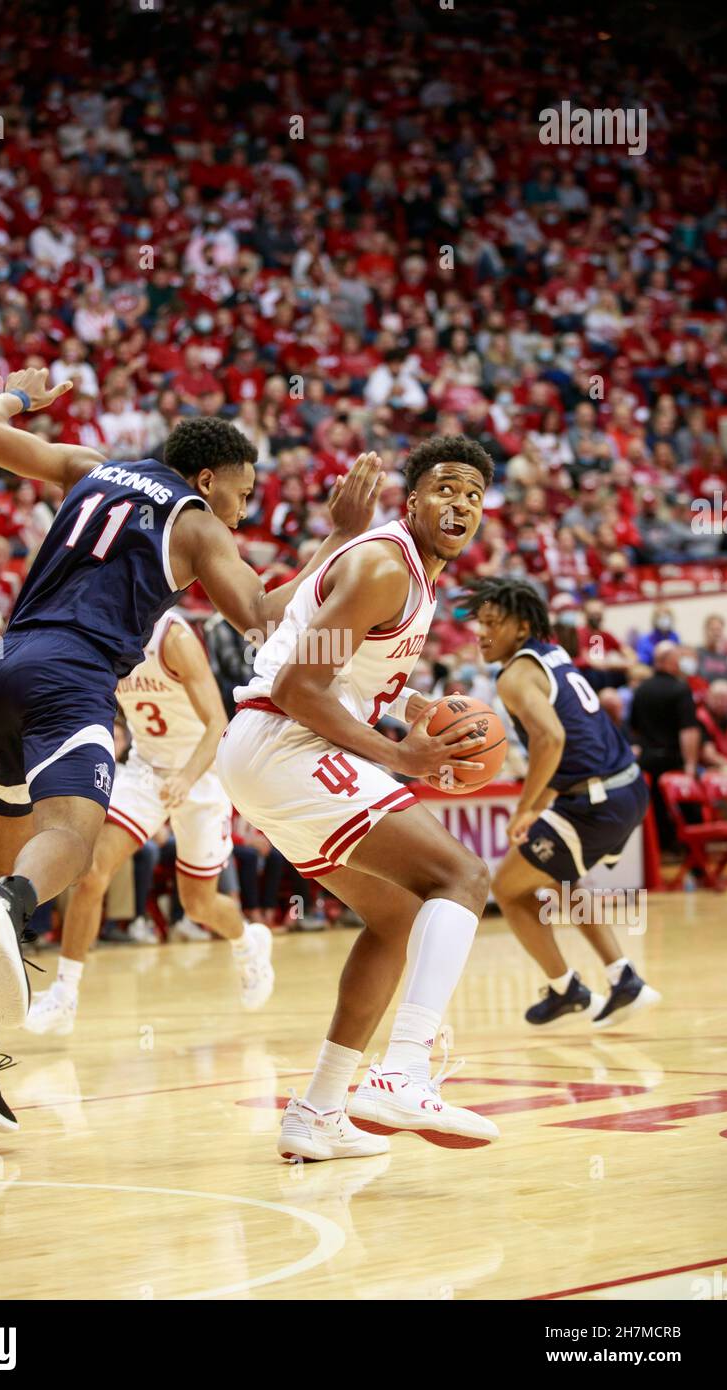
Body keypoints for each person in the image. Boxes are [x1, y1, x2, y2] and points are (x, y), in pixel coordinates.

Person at [0, 367, 382, 1134]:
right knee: (68, 840)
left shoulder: (91, 465)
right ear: (208, 479)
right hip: (73, 676)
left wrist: (23, 394)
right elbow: (262, 615)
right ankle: (9, 904)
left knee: (1, 877)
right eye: (242, 494)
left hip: (2, 668)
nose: (243, 511)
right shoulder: (201, 524)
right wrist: (338, 536)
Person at [217, 435, 500, 1162]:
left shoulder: (417, 576)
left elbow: (359, 679)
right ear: (412, 501)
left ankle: (316, 1112)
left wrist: (418, 714)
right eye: (445, 487)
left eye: (474, 494)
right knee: (462, 877)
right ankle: (402, 1072)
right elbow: (298, 687)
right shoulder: (383, 565)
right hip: (284, 738)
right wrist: (402, 756)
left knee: (398, 916)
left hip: (275, 751)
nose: (460, 503)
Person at [25, 609, 273, 1036]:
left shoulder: (172, 637)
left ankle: (248, 942)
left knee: (197, 903)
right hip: (145, 769)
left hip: (201, 770)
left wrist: (188, 777)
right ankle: (65, 995)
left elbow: (218, 723)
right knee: (92, 871)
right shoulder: (102, 634)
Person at [465, 577, 661, 1030]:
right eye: (479, 623)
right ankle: (623, 978)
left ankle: (565, 988)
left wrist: (524, 808)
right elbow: (573, 741)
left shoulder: (515, 674)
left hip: (596, 800)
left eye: (492, 623)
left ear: (520, 627)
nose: (480, 633)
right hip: (624, 788)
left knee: (507, 889)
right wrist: (541, 803)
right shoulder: (553, 655)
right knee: (560, 881)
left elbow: (551, 739)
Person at [630, 641, 702, 849]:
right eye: (678, 658)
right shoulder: (680, 688)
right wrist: (690, 765)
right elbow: (689, 730)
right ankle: (694, 854)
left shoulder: (641, 689)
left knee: (656, 811)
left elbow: (635, 728)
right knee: (687, 807)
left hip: (648, 761)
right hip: (673, 759)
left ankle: (662, 850)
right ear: (668, 661)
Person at [696, 680, 727, 769]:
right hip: (706, 768)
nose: (721, 703)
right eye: (717, 698)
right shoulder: (700, 718)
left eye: (725, 699)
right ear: (708, 697)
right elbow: (708, 755)